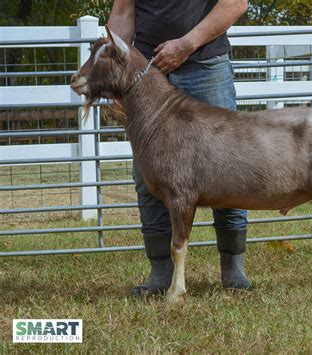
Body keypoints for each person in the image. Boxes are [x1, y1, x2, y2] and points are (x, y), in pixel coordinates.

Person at [107, 0, 250, 296]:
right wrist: (112, 65)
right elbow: (122, 13)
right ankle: (160, 273)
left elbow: (236, 3)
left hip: (205, 63)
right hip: (147, 69)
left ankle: (233, 270)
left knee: (229, 167)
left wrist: (187, 44)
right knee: (149, 176)